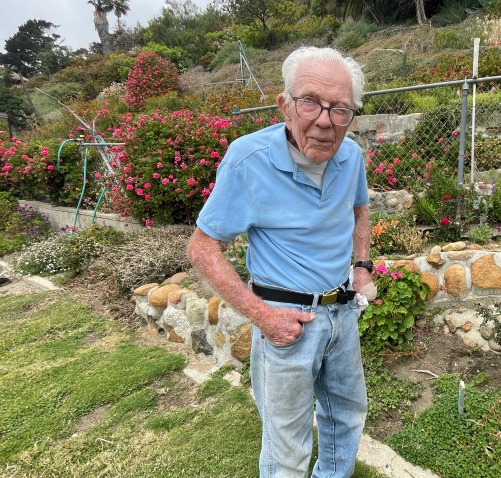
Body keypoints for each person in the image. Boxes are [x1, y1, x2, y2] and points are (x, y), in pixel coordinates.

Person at [186, 46, 373, 478]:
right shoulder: (248, 159)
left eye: (340, 109)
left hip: (342, 315)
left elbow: (360, 208)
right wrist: (263, 317)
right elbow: (202, 248)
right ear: (285, 105)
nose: (325, 120)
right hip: (285, 325)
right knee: (287, 446)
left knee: (346, 416)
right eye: (311, 102)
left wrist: (361, 267)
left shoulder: (351, 157)